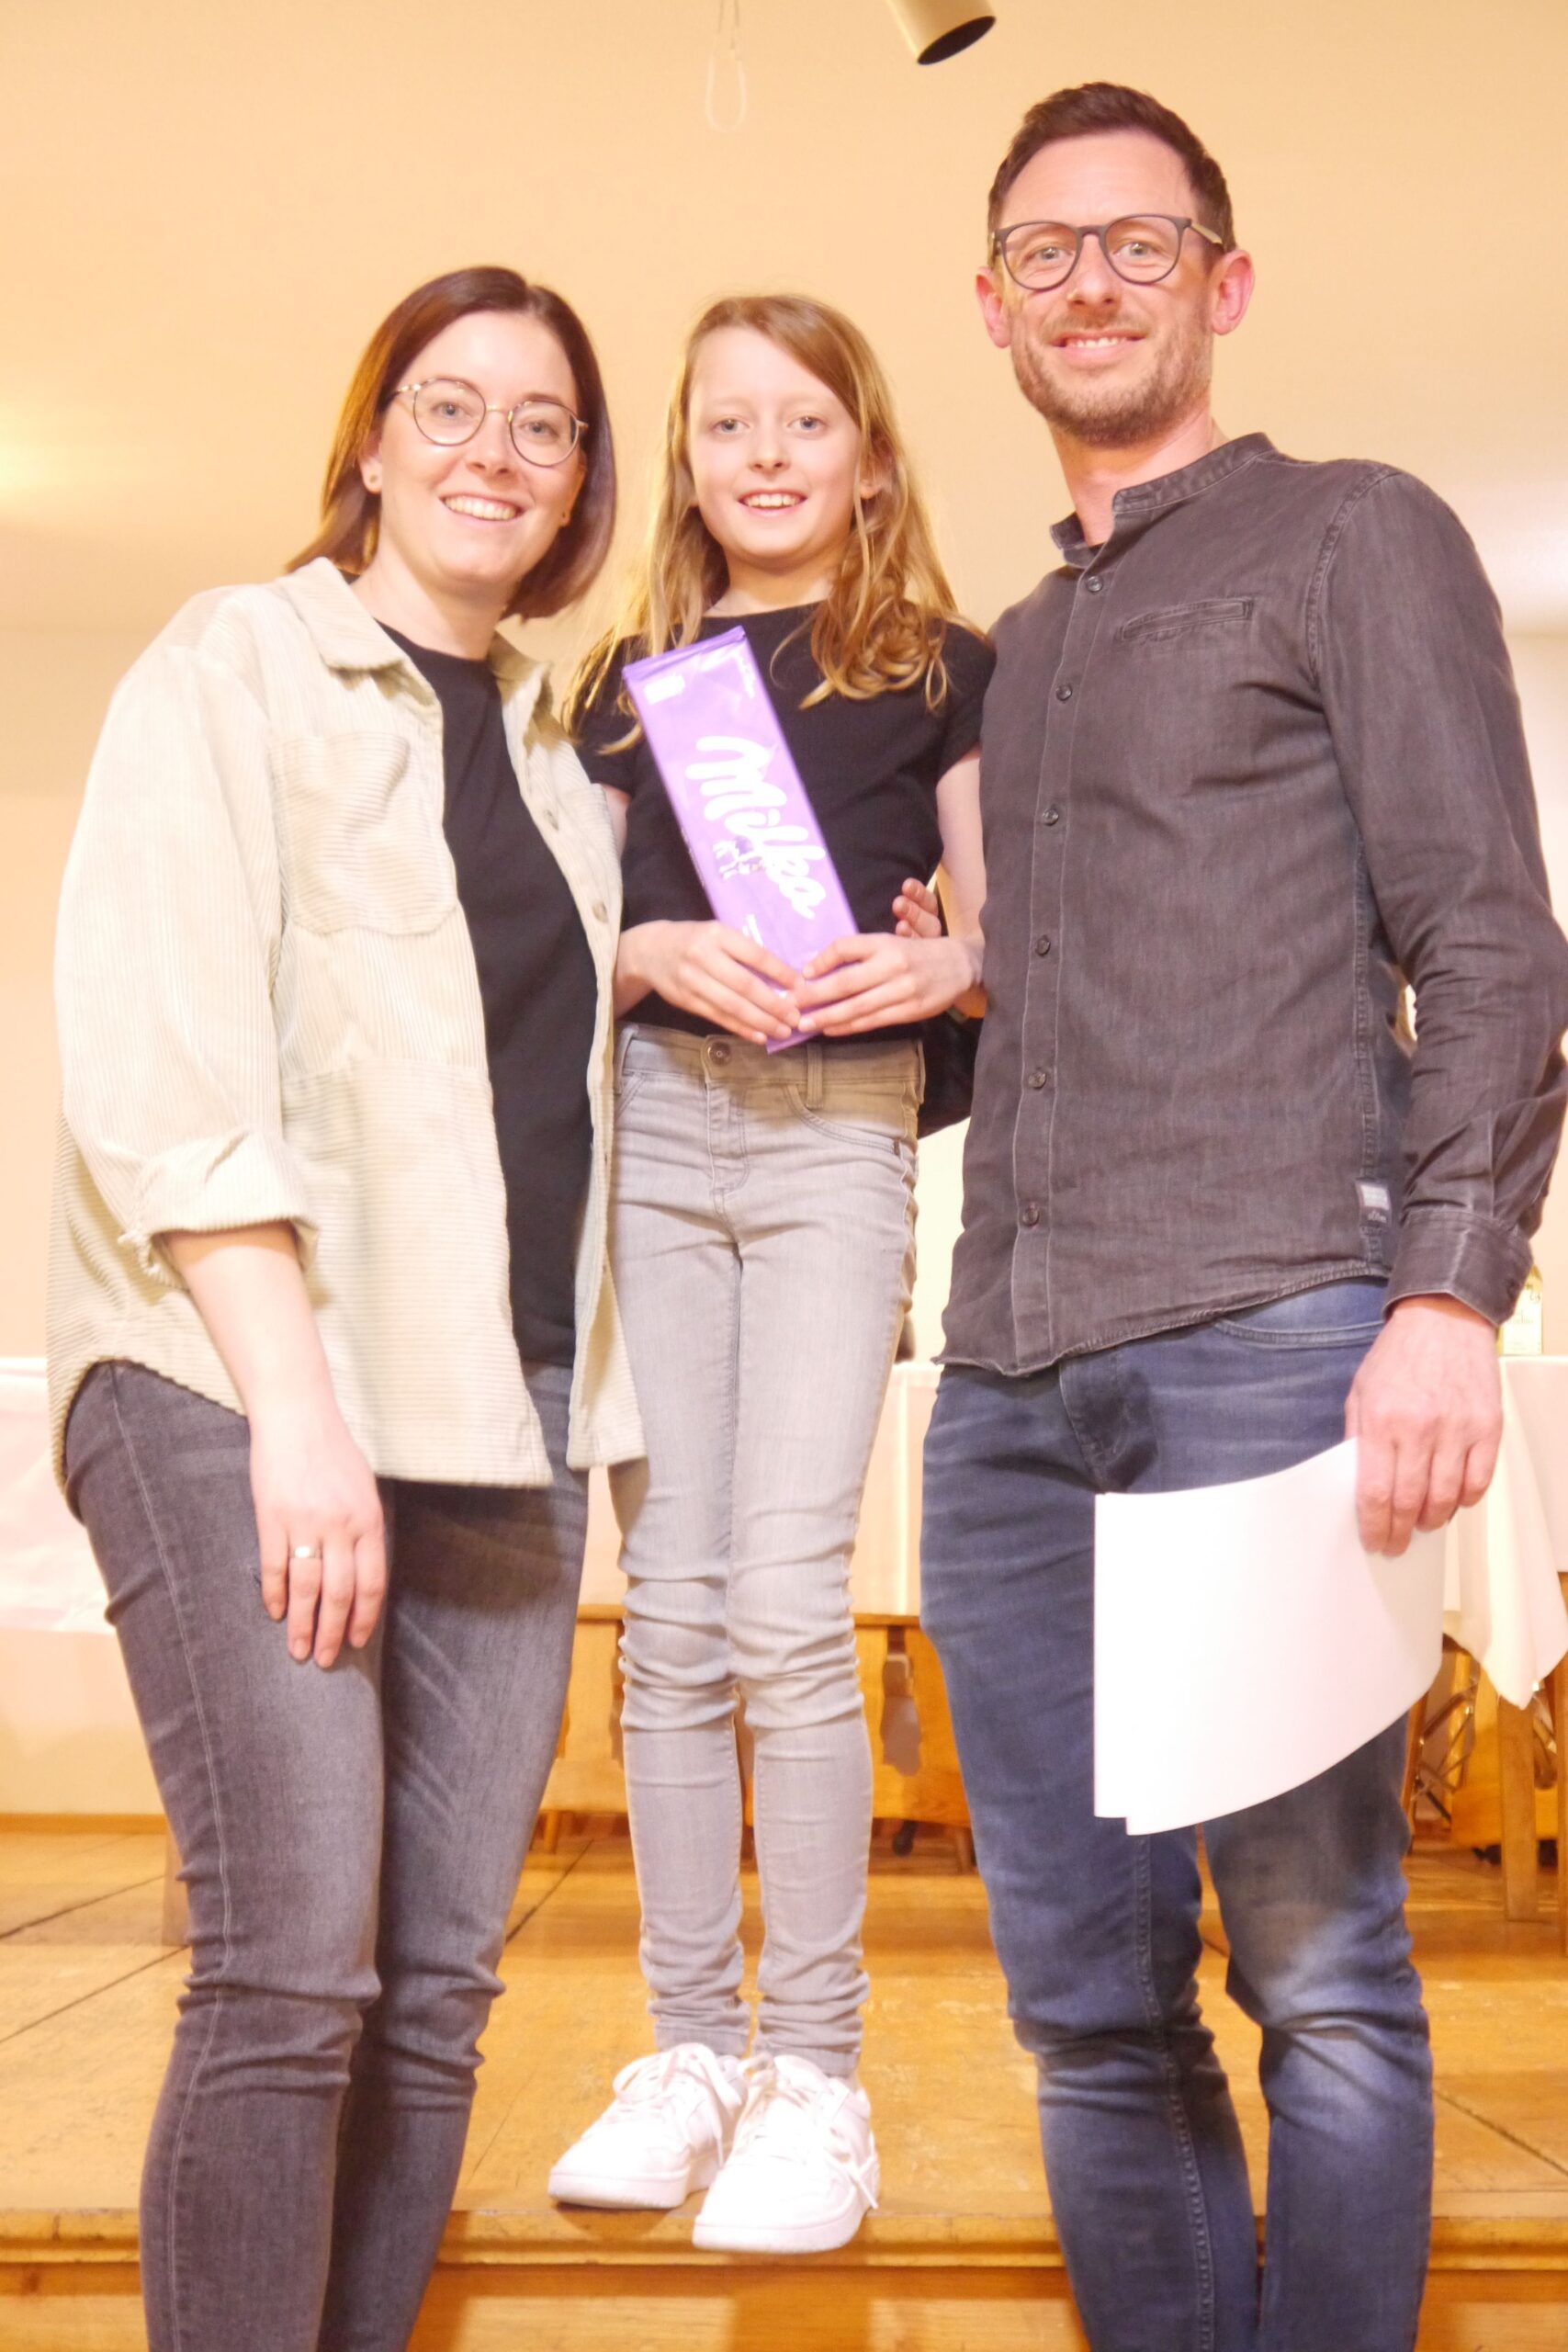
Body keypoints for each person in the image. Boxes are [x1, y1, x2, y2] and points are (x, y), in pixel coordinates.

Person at [919, 82, 1568, 2352]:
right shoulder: (1017, 645)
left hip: (1273, 1338)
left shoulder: (1349, 533)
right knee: (1085, 2007)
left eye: (1137, 240)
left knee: (1321, 1974)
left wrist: (1444, 1294)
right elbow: (1056, 1003)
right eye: (1044, 249)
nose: (1088, 280)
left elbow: (1486, 936)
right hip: (1003, 1386)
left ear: (1223, 279)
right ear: (988, 303)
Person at [50, 265, 641, 2352]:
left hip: (504, 1406)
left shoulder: (566, 766)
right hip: (243, 1384)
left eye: (544, 423)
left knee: (436, 1983)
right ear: (373, 440)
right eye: (449, 405)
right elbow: (166, 1059)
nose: (496, 450)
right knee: (295, 1965)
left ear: (578, 480)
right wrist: (295, 1413)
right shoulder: (236, 662)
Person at [547, 293, 992, 2254]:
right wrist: (643, 951)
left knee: (791, 1609)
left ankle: (815, 2073)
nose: (767, 454)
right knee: (668, 1611)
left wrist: (941, 958)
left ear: (870, 458)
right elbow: (544, 942)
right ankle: (689, 2053)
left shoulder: (946, 668)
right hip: (656, 1132)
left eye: (806, 420)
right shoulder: (624, 685)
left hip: (838, 1138)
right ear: (686, 459)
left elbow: (1002, 940)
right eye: (727, 423)